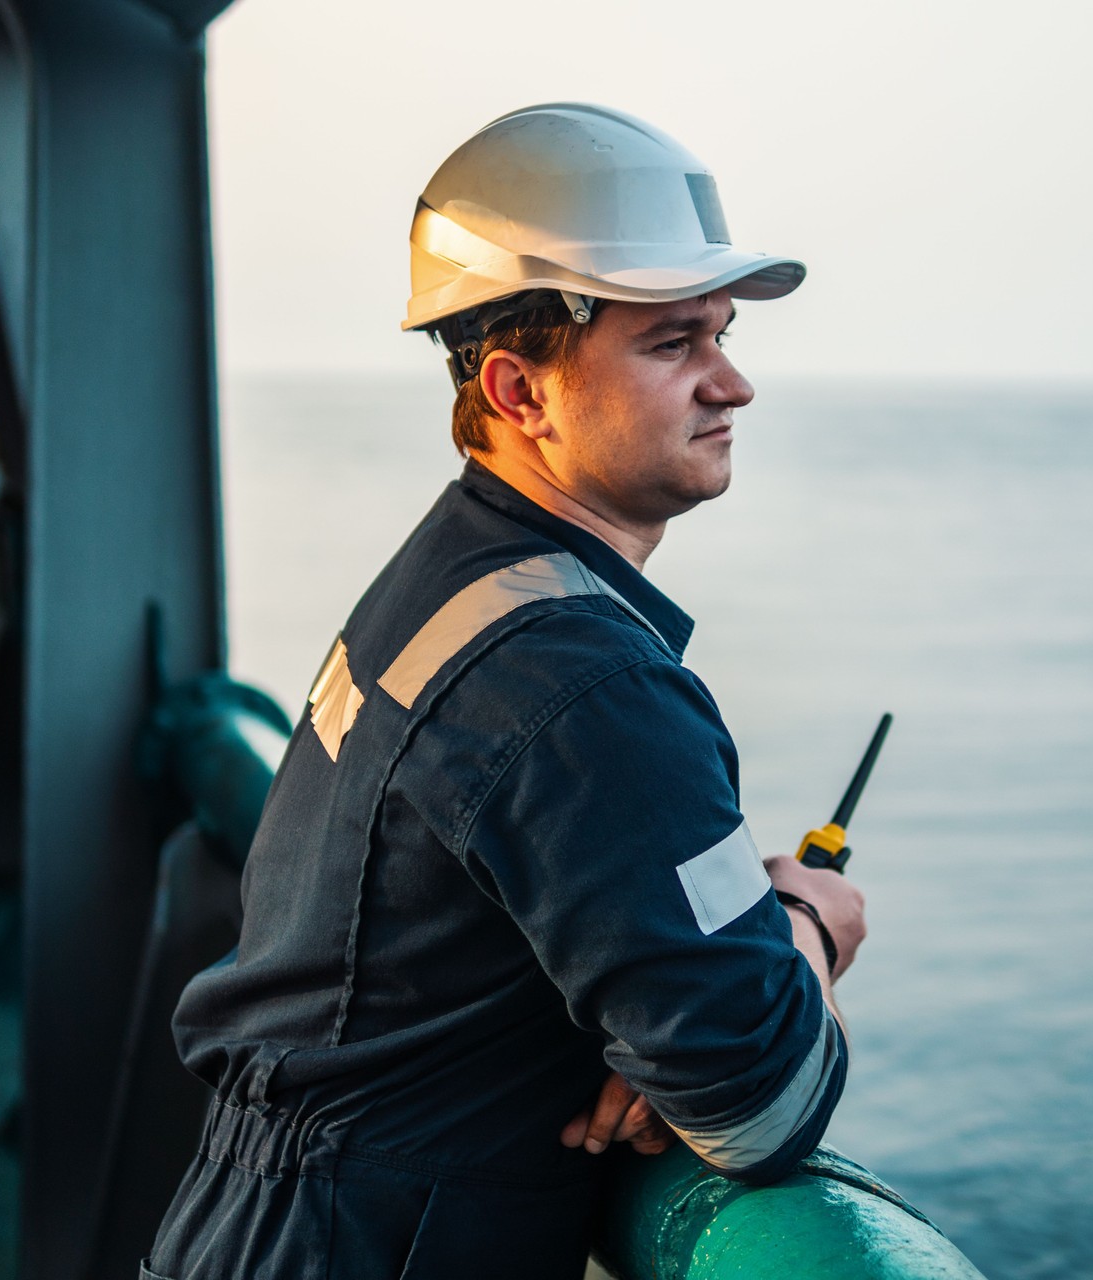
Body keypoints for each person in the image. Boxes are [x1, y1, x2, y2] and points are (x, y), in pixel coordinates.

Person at [145, 102, 868, 1280]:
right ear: (520, 390)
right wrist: (809, 928)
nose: (733, 383)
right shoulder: (583, 682)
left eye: (724, 334)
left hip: (270, 1226)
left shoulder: (447, 582)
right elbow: (762, 1102)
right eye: (674, 342)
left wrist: (654, 1032)